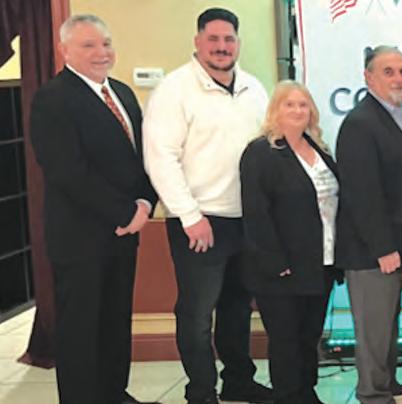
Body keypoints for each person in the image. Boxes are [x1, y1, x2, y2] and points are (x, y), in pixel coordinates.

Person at [142, 7, 272, 404]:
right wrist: (190, 216)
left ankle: (238, 382)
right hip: (198, 221)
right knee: (197, 313)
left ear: (238, 43)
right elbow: (161, 157)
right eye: (213, 39)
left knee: (237, 308)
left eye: (228, 39)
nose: (221, 46)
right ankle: (200, 391)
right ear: (197, 42)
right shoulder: (175, 90)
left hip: (245, 221)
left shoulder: (254, 88)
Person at [28, 14, 159, 404]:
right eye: (88, 45)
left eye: (106, 43)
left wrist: (145, 203)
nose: (101, 52)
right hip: (80, 238)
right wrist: (124, 213)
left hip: (125, 233)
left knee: (115, 322)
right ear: (64, 50)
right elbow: (68, 171)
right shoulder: (53, 99)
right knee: (81, 331)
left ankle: (114, 393)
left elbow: (142, 158)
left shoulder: (122, 93)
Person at [335, 45, 402, 404]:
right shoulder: (361, 123)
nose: (398, 78)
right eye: (388, 71)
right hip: (373, 251)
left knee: (387, 323)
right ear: (368, 77)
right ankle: (373, 393)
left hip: (396, 246)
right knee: (373, 329)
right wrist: (383, 247)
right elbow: (362, 195)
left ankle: (387, 383)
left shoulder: (393, 116)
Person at [240, 81, 342, 404]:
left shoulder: (319, 149)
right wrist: (275, 262)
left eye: (303, 104)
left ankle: (306, 393)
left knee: (308, 336)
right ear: (275, 110)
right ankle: (288, 396)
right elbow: (256, 213)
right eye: (290, 104)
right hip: (282, 268)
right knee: (286, 340)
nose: (298, 110)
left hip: (321, 262)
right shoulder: (261, 153)